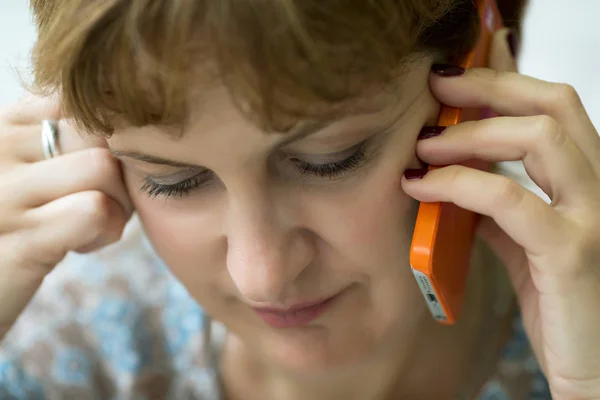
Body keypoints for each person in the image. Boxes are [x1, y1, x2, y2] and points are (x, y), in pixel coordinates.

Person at [0, 0, 598, 398]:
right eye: (172, 180)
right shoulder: (68, 349)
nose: (260, 275)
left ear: (484, 75)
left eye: (329, 160)